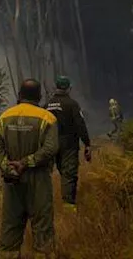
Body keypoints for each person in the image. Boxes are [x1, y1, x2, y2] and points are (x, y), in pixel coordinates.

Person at [0, 78, 59, 256]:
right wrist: (26, 162)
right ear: (39, 96)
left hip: (12, 180)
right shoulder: (48, 118)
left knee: (10, 232)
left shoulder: (3, 118)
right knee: (42, 231)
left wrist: (8, 167)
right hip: (39, 181)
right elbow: (51, 148)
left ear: (19, 95)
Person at [44, 75, 91, 211]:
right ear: (69, 88)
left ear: (56, 87)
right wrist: (87, 143)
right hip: (69, 144)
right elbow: (80, 125)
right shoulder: (72, 104)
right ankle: (69, 208)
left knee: (46, 173)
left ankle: (46, 204)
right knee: (69, 174)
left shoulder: (47, 105)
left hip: (49, 144)